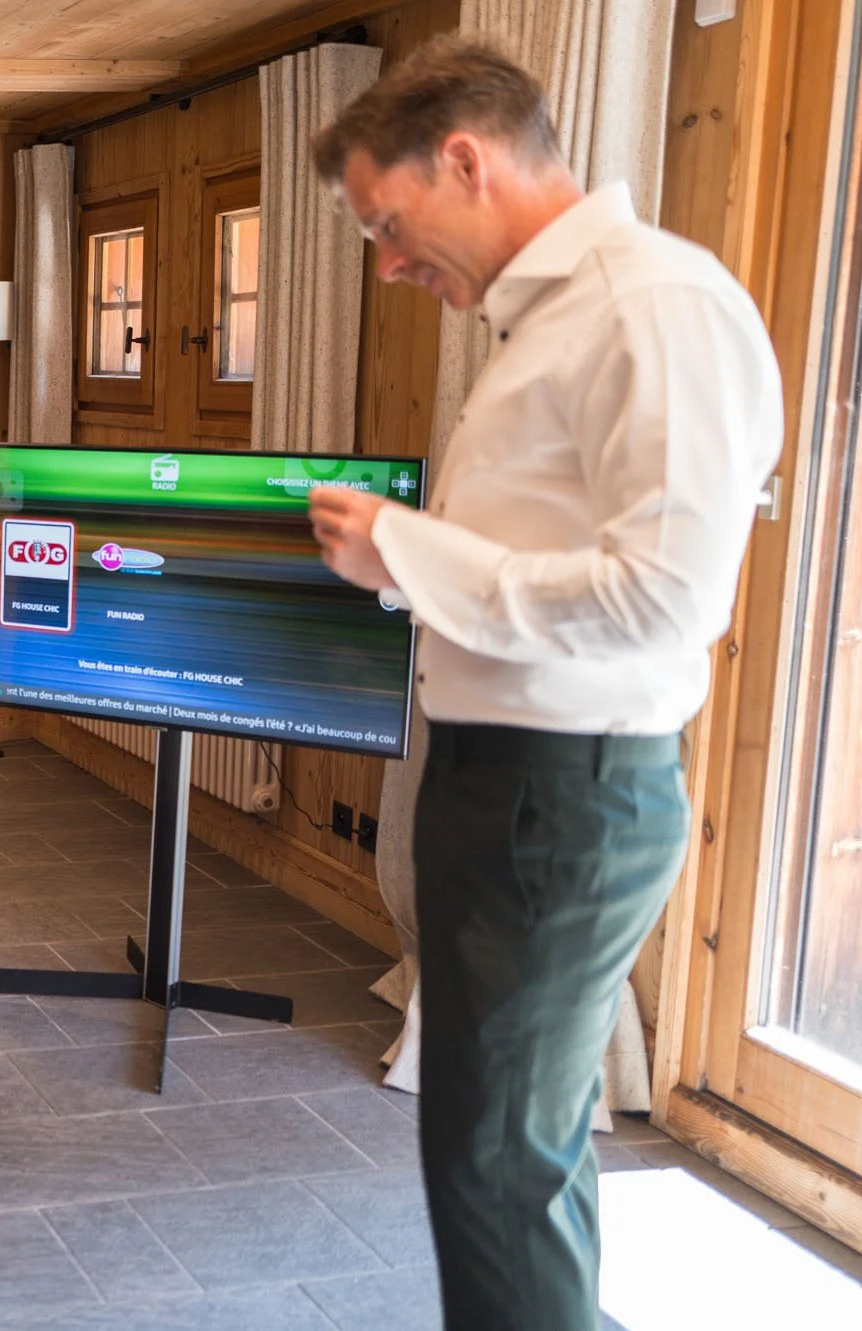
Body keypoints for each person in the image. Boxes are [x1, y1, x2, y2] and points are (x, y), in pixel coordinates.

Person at [304, 38, 781, 1331]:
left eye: (390, 225)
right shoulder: (557, 317)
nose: (391, 265)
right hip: (502, 786)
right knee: (512, 1149)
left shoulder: (653, 308)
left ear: (465, 158)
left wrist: (403, 547)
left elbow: (663, 599)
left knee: (495, 1166)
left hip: (560, 798)